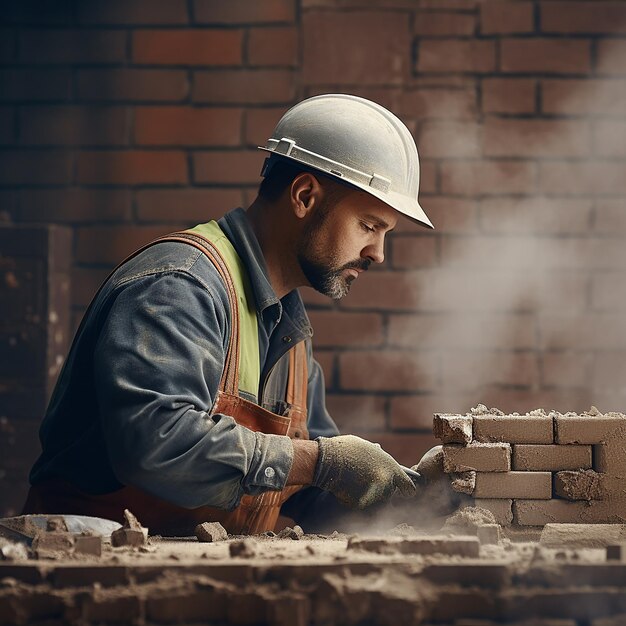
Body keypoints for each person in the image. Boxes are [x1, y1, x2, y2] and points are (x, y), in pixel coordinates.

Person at [24, 94, 436, 535]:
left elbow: (313, 489)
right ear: (304, 196)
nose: (378, 252)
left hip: (194, 587)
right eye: (369, 226)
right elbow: (154, 441)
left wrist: (419, 496)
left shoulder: (288, 331)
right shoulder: (180, 285)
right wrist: (320, 462)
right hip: (85, 581)